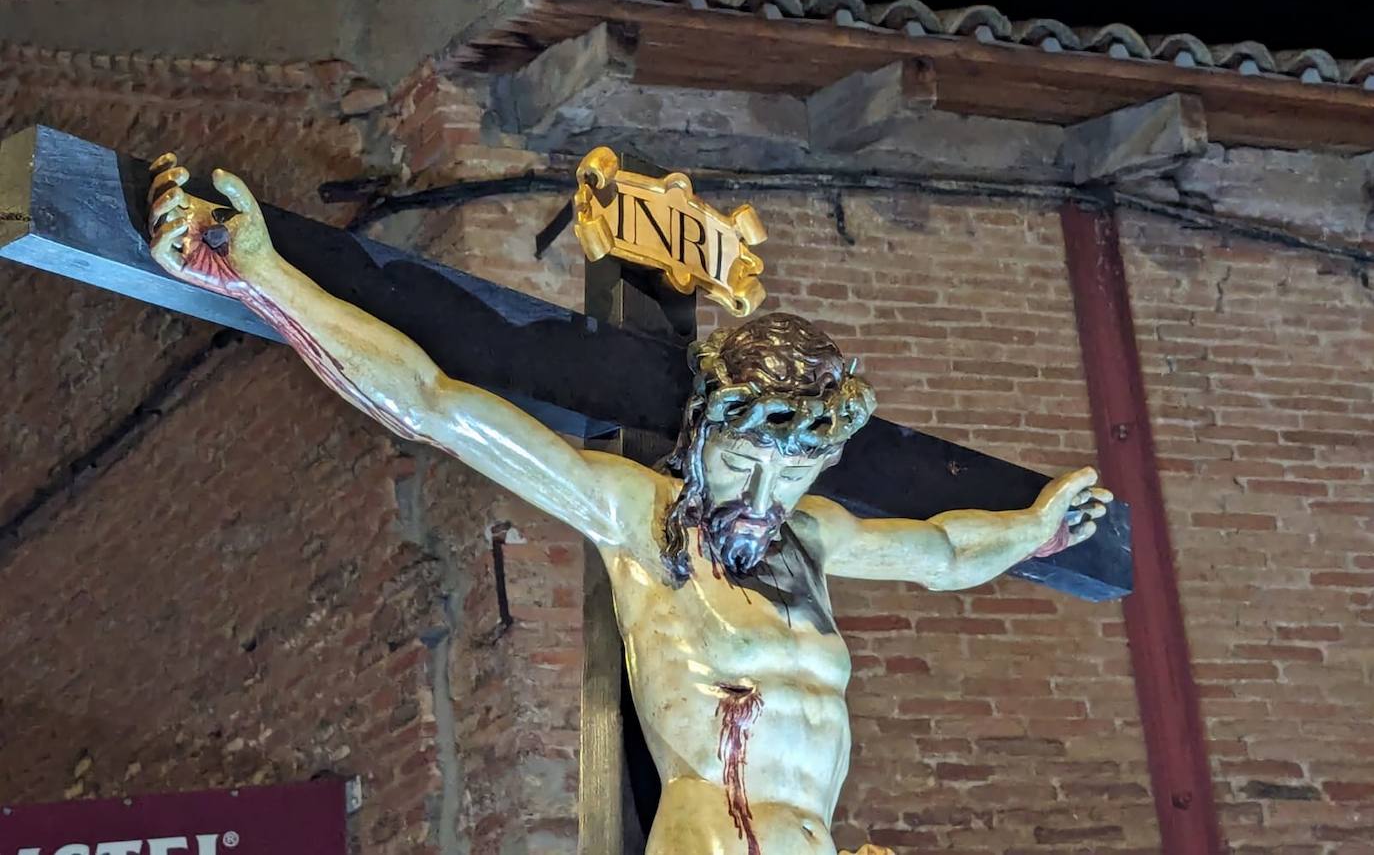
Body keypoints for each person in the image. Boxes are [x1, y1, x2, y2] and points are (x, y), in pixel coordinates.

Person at [147, 163, 1110, 855]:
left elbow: (942, 552)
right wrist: (261, 276)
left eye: (798, 469)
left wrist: (1037, 529)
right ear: (702, 437)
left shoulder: (809, 539)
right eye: (747, 461)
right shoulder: (638, 519)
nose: (767, 496)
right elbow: (436, 404)